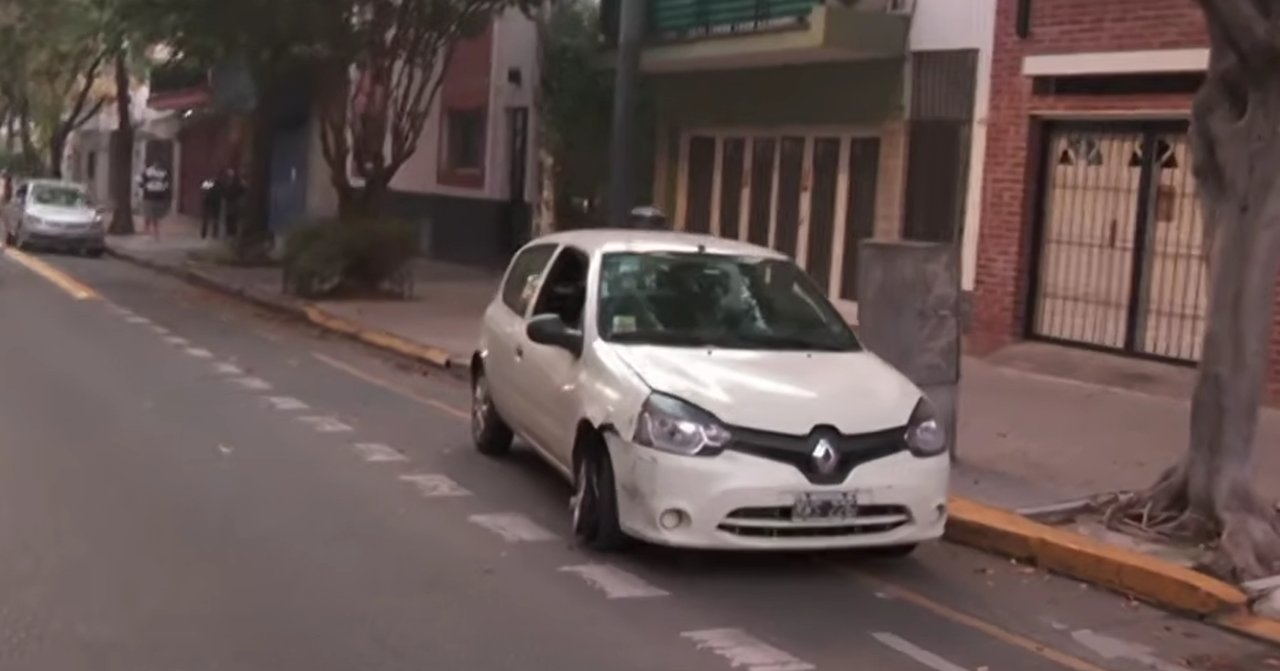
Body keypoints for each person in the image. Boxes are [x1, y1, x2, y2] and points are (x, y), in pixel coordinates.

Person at [137, 160, 171, 240]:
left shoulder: (163, 173)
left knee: (155, 215)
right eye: (156, 163)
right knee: (148, 213)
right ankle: (146, 230)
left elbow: (167, 182)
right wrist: (145, 187)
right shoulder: (148, 172)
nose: (157, 165)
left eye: (158, 163)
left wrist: (163, 188)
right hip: (149, 195)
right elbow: (140, 180)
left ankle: (155, 231)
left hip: (158, 195)